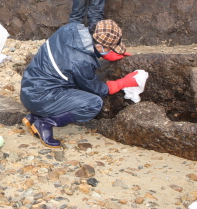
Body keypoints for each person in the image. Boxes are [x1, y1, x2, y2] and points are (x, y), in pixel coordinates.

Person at [20, 19, 137, 148]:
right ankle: (45, 123)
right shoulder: (82, 60)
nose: (110, 52)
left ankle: (33, 116)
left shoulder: (70, 28)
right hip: (40, 98)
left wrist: (109, 54)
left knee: (69, 82)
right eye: (110, 49)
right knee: (94, 103)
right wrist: (122, 83)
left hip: (29, 88)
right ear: (99, 46)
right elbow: (96, 89)